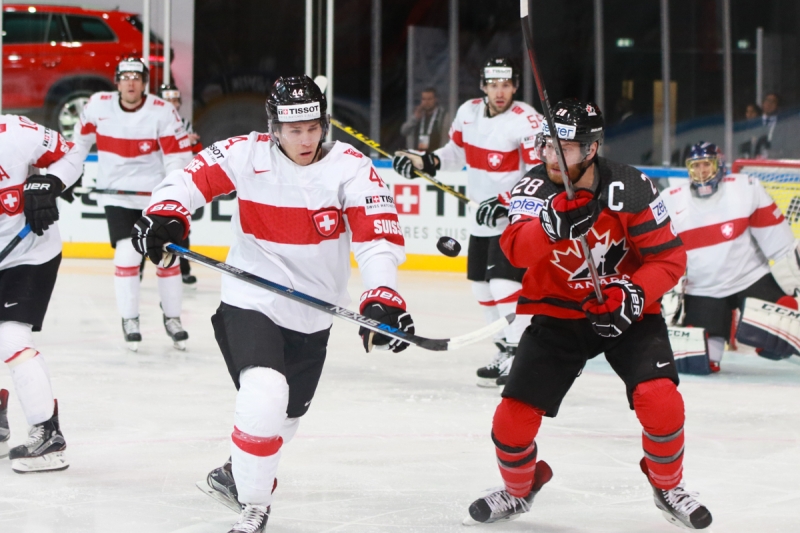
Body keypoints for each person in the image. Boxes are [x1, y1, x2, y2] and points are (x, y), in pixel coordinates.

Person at [131, 75, 413, 533]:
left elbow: (376, 237)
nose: (305, 140)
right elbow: (186, 181)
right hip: (251, 297)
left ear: (325, 123)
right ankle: (254, 505)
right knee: (264, 394)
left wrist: (381, 295)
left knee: (287, 416)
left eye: (313, 128)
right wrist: (164, 213)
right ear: (274, 127)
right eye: (293, 129)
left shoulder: (351, 167)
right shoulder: (246, 152)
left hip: (315, 310)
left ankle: (233, 473)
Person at [463, 99, 713, 530]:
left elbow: (670, 260)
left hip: (625, 311)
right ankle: (519, 490)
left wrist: (633, 293)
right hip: (558, 315)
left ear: (592, 149)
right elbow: (514, 250)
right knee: (511, 422)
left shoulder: (632, 187)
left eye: (565, 148)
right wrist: (548, 227)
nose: (550, 157)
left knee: (661, 401)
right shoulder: (534, 187)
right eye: (545, 146)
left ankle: (667, 485)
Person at [393, 57, 543, 387]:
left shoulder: (527, 121)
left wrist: (507, 203)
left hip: (516, 219)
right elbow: (454, 154)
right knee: (481, 288)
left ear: (515, 86)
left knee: (504, 285)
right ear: (483, 86)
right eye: (493, 85)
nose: (499, 92)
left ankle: (522, 355)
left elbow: (541, 172)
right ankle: (505, 349)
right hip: (481, 218)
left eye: (506, 85)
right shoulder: (468, 112)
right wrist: (425, 161)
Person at [71, 58, 194, 351]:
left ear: (144, 82)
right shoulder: (98, 105)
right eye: (125, 77)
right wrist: (67, 175)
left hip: (155, 199)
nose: (130, 82)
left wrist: (172, 191)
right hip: (117, 197)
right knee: (127, 256)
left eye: (136, 77)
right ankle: (130, 319)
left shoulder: (161, 111)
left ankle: (173, 318)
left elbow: (178, 154)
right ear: (116, 81)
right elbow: (78, 143)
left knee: (168, 259)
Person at [661, 142, 798, 373]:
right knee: (699, 362)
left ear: (719, 165)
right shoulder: (670, 200)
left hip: (750, 278)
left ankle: (764, 326)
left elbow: (780, 244)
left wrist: (792, 286)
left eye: (707, 164)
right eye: (696, 166)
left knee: (781, 335)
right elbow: (658, 252)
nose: (702, 171)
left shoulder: (746, 189)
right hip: (704, 288)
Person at [0, 114, 84, 472]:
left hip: (28, 254)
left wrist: (49, 182)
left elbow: (74, 154)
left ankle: (48, 434)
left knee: (9, 338)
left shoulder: (15, 133)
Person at [158, 83, 202, 286]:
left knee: (181, 227)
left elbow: (195, 152)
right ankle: (136, 270)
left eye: (175, 100)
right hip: (153, 181)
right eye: (169, 100)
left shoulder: (184, 123)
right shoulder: (151, 119)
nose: (173, 104)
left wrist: (192, 142)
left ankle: (184, 270)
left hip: (177, 182)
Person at [399, 87, 450, 152]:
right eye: (424, 99)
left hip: (435, 156)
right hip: (418, 156)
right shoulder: (418, 113)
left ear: (435, 99)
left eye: (429, 99)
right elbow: (404, 131)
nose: (426, 102)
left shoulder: (442, 115)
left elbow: (445, 138)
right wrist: (415, 118)